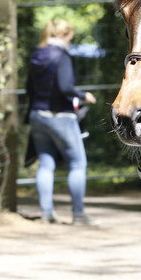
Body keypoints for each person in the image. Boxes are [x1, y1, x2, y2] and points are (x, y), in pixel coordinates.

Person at [26, 19, 97, 225]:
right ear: (63, 36)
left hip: (37, 115)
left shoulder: (37, 54)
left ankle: (47, 213)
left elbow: (29, 89)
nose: (70, 43)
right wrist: (84, 96)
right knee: (78, 163)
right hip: (61, 117)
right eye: (70, 39)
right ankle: (79, 214)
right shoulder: (61, 56)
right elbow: (66, 87)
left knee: (46, 164)